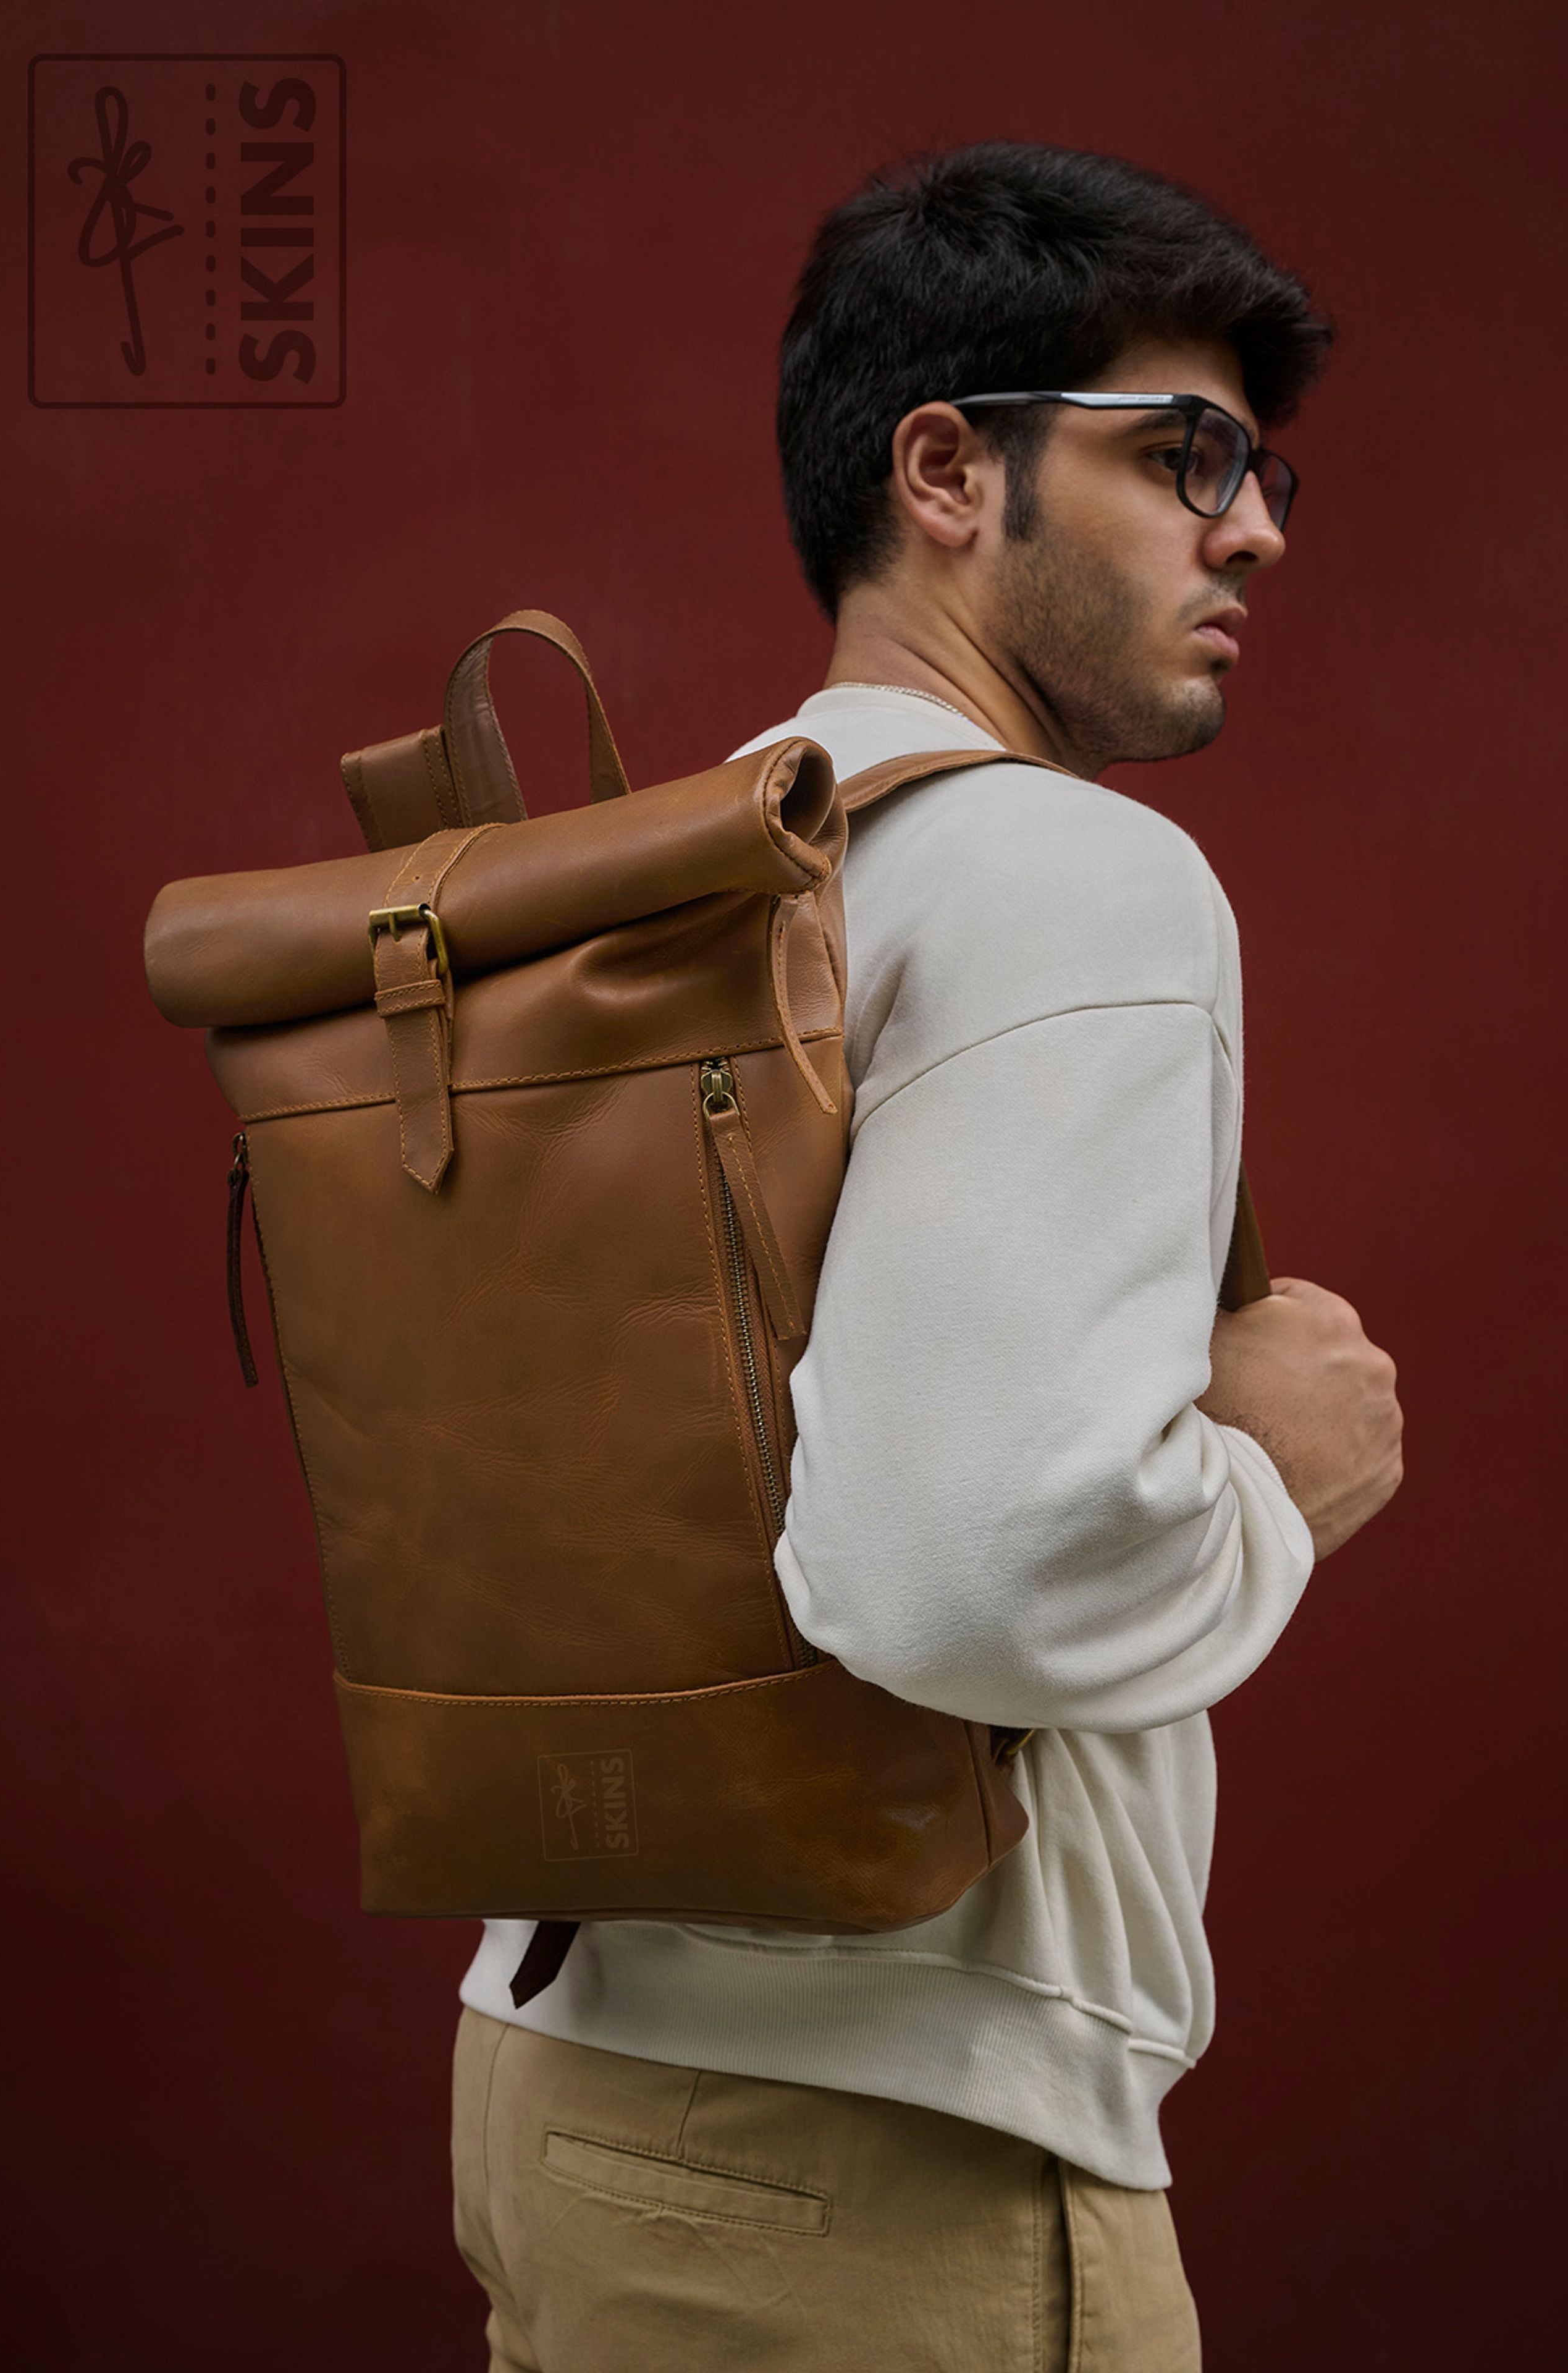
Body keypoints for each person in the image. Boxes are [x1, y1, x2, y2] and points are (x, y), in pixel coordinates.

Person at [450, 140, 1404, 2370]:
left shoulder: (684, 869)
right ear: (950, 472)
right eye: (1185, 456)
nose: (1255, 527)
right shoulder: (1069, 874)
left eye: (1257, 470)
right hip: (882, 2166)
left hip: (560, 2077)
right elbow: (964, 1576)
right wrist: (1278, 1480)